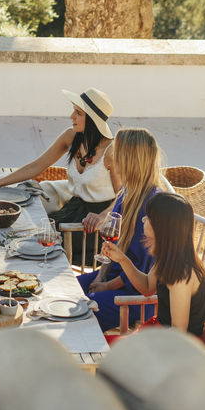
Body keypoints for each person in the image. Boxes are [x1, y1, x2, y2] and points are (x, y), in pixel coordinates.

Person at [0, 87, 119, 238]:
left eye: (78, 113)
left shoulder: (111, 152)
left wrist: (103, 216)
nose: (71, 116)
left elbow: (124, 195)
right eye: (73, 110)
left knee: (41, 242)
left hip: (94, 225)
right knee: (26, 234)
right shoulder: (71, 136)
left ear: (92, 120)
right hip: (72, 210)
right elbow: (36, 166)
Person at [77, 128, 165, 330]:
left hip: (135, 294)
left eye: (117, 154)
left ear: (129, 160)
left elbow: (142, 271)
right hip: (112, 276)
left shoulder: (151, 205)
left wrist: (106, 286)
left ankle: (85, 357)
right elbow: (114, 245)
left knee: (79, 312)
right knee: (63, 292)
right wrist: (100, 275)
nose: (112, 159)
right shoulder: (127, 191)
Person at [105, 190, 205, 337]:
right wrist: (122, 259)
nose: (143, 220)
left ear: (161, 227)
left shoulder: (181, 275)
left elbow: (178, 333)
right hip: (164, 334)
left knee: (110, 351)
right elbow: (147, 287)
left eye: (148, 217)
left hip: (184, 348)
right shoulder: (169, 258)